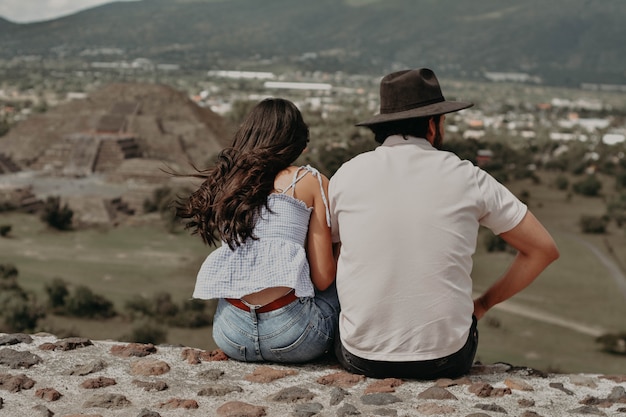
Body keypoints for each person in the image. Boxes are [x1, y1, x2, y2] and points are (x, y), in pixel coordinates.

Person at [329, 68, 559, 379]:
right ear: (432, 125)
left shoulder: (347, 175)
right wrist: (482, 306)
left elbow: (330, 256)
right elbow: (543, 249)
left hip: (362, 357)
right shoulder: (468, 176)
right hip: (447, 357)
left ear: (383, 126)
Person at [177, 98, 339, 363]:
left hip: (230, 335)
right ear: (296, 143)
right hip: (293, 337)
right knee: (337, 281)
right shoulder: (308, 180)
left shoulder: (229, 182)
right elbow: (322, 279)